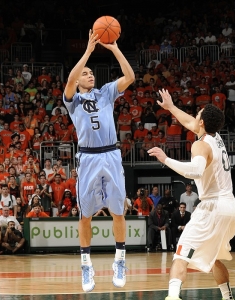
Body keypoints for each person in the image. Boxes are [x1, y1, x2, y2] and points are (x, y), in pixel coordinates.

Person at [63, 29, 134, 292]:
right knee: (85, 216)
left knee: (118, 211)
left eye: (92, 72)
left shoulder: (106, 93)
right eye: (86, 72)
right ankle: (86, 266)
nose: (90, 74)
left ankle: (120, 260)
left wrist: (114, 48)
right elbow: (71, 78)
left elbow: (130, 76)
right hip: (89, 158)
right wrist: (88, 51)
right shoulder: (74, 99)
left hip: (111, 155)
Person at [148, 90, 235, 300]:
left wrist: (165, 159)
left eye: (198, 114)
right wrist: (170, 107)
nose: (195, 116)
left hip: (212, 208)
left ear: (203, 122)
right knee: (213, 257)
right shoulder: (216, 138)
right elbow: (190, 122)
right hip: (230, 207)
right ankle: (227, 297)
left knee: (180, 256)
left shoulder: (200, 144)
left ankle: (172, 297)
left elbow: (195, 171)